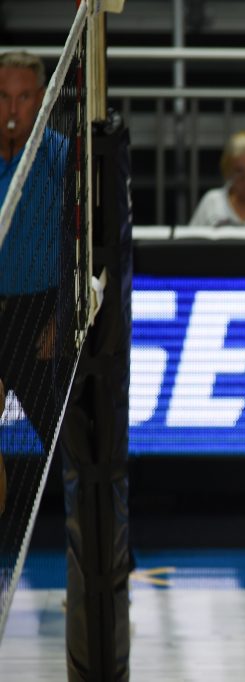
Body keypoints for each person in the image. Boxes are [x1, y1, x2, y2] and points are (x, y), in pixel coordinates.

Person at [0, 50, 70, 472]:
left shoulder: (63, 158)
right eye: (3, 96)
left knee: (66, 445)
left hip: (37, 315)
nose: (11, 109)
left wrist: (61, 314)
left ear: (41, 98)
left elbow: (83, 245)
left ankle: (95, 537)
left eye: (23, 97)